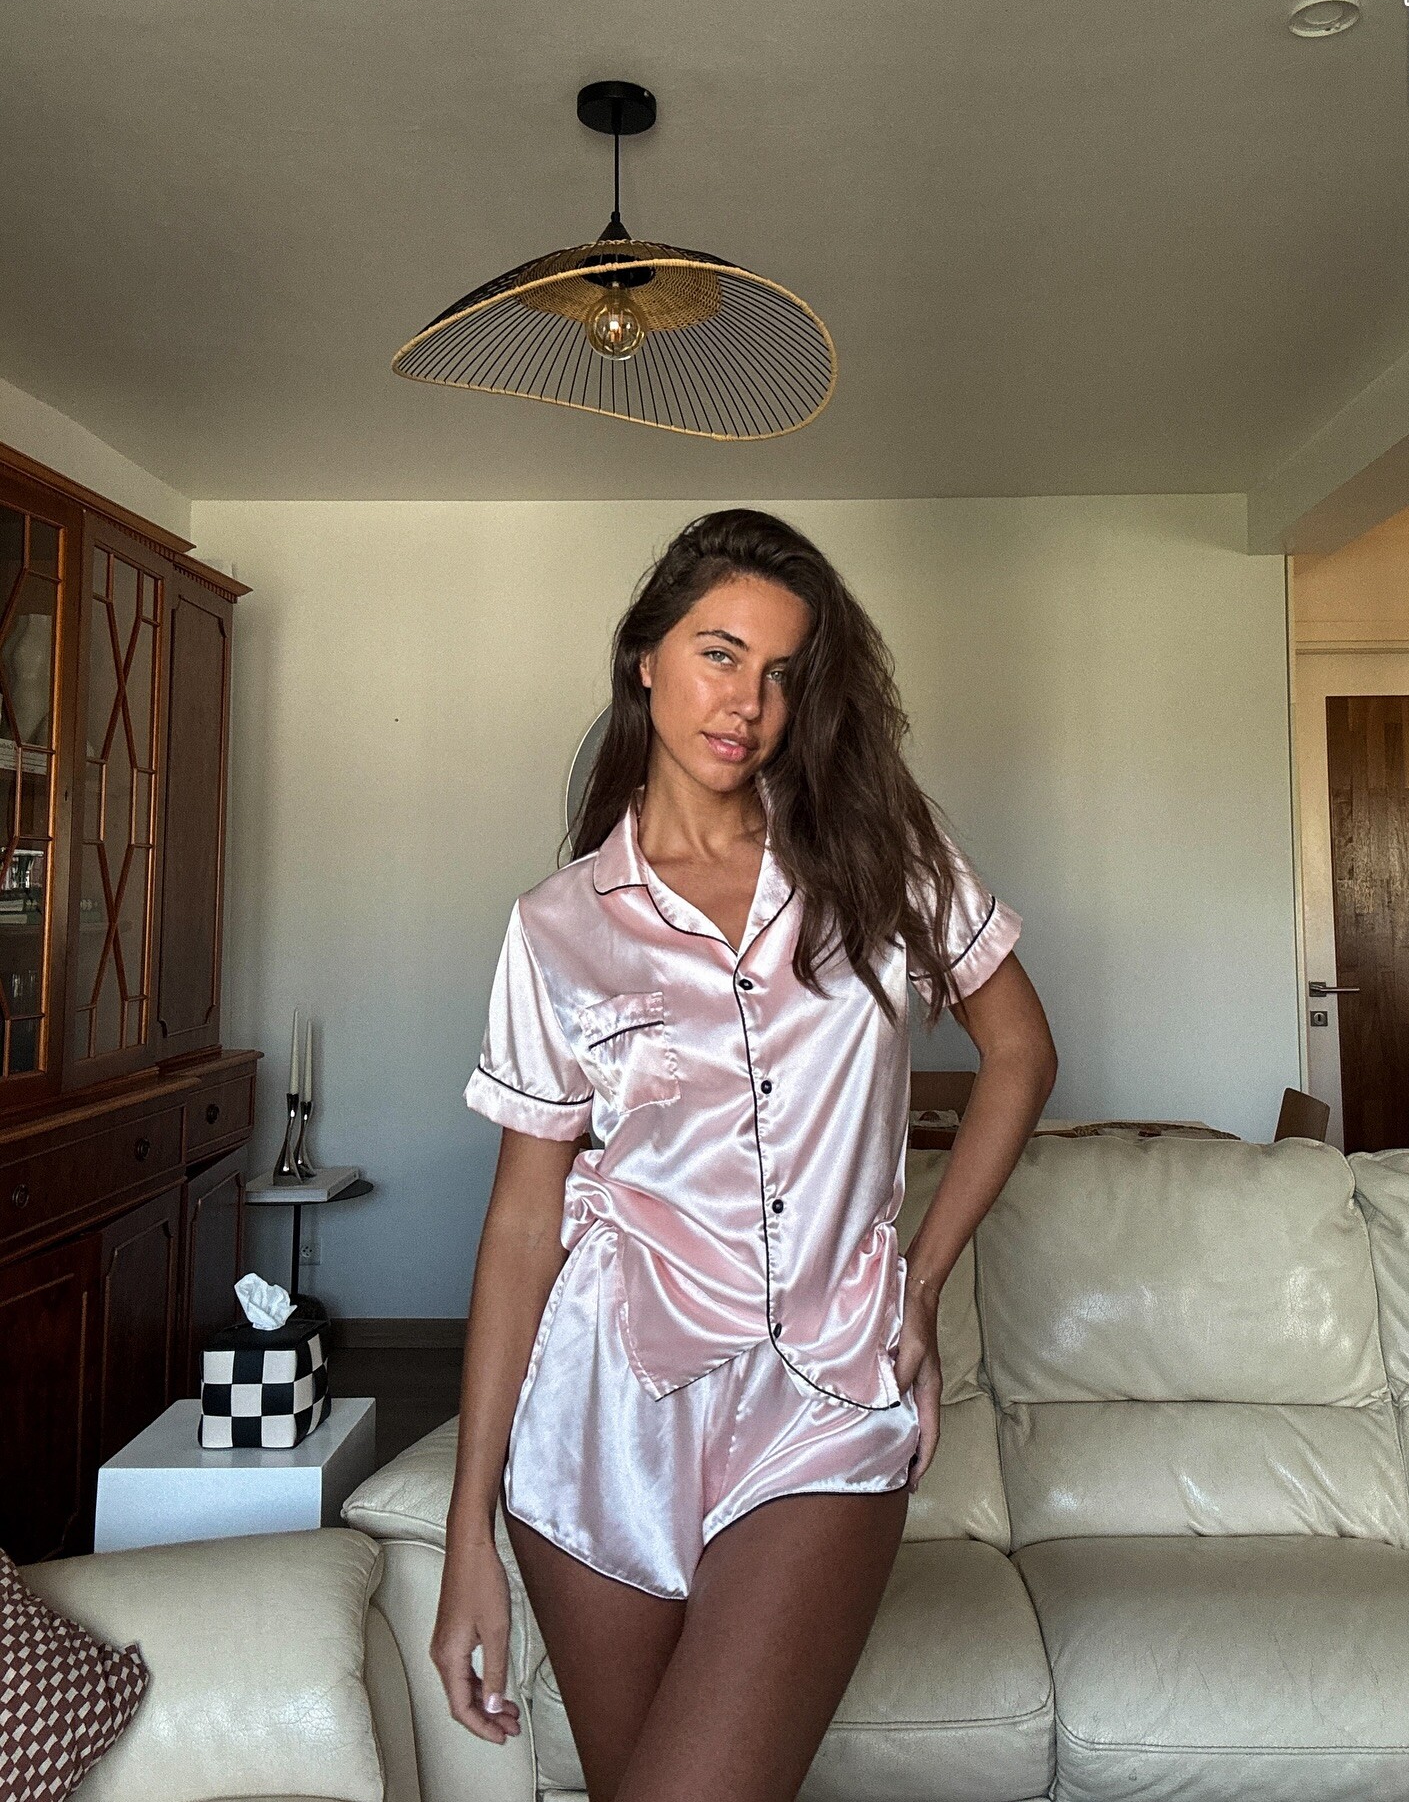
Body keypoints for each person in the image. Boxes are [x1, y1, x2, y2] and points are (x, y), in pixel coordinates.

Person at [433, 509, 1057, 1802]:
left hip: (826, 1399)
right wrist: (466, 1534)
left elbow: (1020, 1053)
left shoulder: (880, 856)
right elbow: (522, 1226)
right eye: (720, 654)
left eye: (783, 673)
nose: (749, 704)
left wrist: (921, 1282)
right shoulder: (556, 928)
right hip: (601, 1419)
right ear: (646, 657)